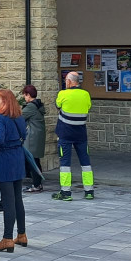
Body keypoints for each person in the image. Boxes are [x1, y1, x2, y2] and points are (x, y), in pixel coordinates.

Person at [0, 89, 28, 253]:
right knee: (17, 198)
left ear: (5, 102)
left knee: (8, 200)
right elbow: (24, 133)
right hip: (17, 157)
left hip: (4, 160)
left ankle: (7, 238)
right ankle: (22, 234)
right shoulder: (18, 116)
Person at [53, 72, 94, 201]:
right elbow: (88, 107)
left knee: (65, 163)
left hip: (65, 134)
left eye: (66, 80)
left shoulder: (63, 94)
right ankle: (89, 191)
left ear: (69, 82)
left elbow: (57, 105)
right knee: (85, 163)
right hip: (81, 134)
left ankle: (65, 192)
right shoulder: (85, 94)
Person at [21, 84, 46, 193]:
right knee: (35, 160)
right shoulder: (38, 105)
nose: (24, 97)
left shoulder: (31, 106)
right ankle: (38, 183)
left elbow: (20, 117)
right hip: (37, 136)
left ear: (28, 95)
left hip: (32, 137)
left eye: (24, 95)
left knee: (32, 161)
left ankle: (36, 184)